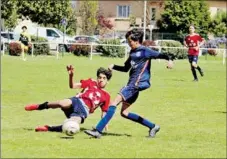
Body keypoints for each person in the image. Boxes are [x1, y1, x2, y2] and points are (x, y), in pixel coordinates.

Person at [84, 28, 174, 138]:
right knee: (124, 113)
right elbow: (126, 68)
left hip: (134, 85)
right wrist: (114, 66)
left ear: (137, 41)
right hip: (132, 86)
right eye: (128, 41)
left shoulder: (145, 51)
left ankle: (98, 131)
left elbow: (163, 55)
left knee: (113, 103)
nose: (128, 43)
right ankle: (153, 126)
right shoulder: (132, 52)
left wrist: (170, 60)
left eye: (130, 41)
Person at [24, 65, 112, 132]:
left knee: (72, 125)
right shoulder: (91, 82)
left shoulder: (106, 96)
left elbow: (104, 114)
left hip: (84, 111)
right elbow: (72, 86)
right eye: (99, 77)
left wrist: (104, 128)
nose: (101, 80)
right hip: (77, 100)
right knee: (62, 103)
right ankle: (38, 106)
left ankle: (48, 128)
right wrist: (71, 76)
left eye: (104, 78)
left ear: (107, 81)